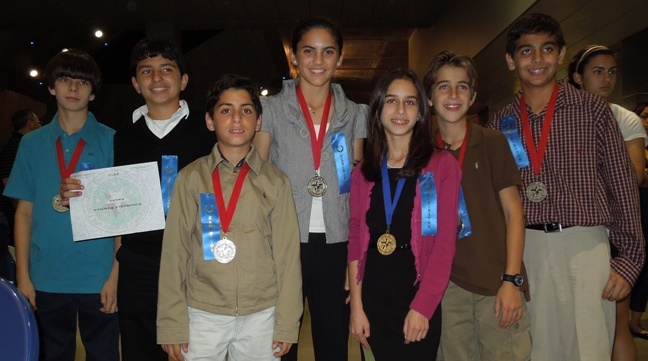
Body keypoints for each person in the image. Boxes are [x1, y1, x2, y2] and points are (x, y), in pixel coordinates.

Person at [487, 14, 645, 360]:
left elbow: (623, 186)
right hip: (526, 250)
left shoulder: (592, 111)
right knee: (534, 348)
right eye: (526, 51)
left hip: (584, 247)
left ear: (560, 55)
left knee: (589, 346)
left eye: (547, 49)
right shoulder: (500, 122)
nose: (537, 59)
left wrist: (630, 258)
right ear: (511, 60)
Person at [60, 37, 216, 361]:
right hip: (138, 270)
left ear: (184, 80)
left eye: (166, 69)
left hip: (194, 267)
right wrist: (75, 197)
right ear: (135, 83)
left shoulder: (209, 132)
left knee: (195, 353)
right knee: (138, 351)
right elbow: (118, 213)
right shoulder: (123, 138)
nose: (156, 78)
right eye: (146, 71)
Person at [156, 73, 302, 361]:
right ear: (210, 121)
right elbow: (175, 253)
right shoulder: (190, 179)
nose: (237, 118)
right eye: (226, 110)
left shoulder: (275, 182)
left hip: (262, 314)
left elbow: (287, 257)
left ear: (258, 122)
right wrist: (172, 324)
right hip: (202, 312)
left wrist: (286, 321)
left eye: (246, 110)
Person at [252, 15, 367, 361]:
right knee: (280, 339)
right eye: (309, 51)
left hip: (336, 242)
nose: (318, 61)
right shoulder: (269, 109)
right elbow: (258, 175)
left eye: (328, 51)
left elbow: (357, 183)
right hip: (285, 238)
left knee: (333, 340)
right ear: (294, 57)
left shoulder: (356, 113)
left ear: (340, 58)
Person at [3, 49, 119, 360]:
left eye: (82, 82)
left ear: (93, 92)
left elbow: (125, 216)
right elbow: (23, 213)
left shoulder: (112, 141)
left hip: (99, 275)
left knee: (104, 355)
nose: (73, 88)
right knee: (52, 354)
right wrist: (24, 277)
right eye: (65, 80)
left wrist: (115, 275)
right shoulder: (31, 144)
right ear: (52, 87)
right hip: (46, 276)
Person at [347, 68, 461, 360]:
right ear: (378, 109)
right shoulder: (364, 172)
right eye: (391, 101)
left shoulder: (440, 166)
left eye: (410, 102)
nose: (400, 110)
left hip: (416, 299)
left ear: (421, 112)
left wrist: (423, 307)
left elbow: (444, 244)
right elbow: (357, 236)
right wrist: (356, 308)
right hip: (373, 302)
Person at [425, 51, 531, 361]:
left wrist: (512, 280)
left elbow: (514, 214)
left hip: (496, 283)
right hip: (448, 288)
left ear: (472, 96)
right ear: (429, 98)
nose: (453, 94)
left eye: (462, 87)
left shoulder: (493, 142)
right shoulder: (423, 154)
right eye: (443, 86)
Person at [568, 44, 648, 360]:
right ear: (577, 77)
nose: (606, 79)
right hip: (575, 231)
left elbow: (635, 177)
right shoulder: (564, 118)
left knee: (617, 321)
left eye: (612, 72)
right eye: (597, 72)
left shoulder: (625, 118)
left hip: (615, 226)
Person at [0, 109, 41, 244]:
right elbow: (7, 181)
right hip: (17, 213)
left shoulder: (12, 145)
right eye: (38, 122)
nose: (40, 125)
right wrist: (24, 214)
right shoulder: (18, 146)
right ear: (30, 124)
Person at [631, 101, 648, 340]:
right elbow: (638, 178)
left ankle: (635, 319)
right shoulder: (630, 143)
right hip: (637, 208)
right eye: (644, 115)